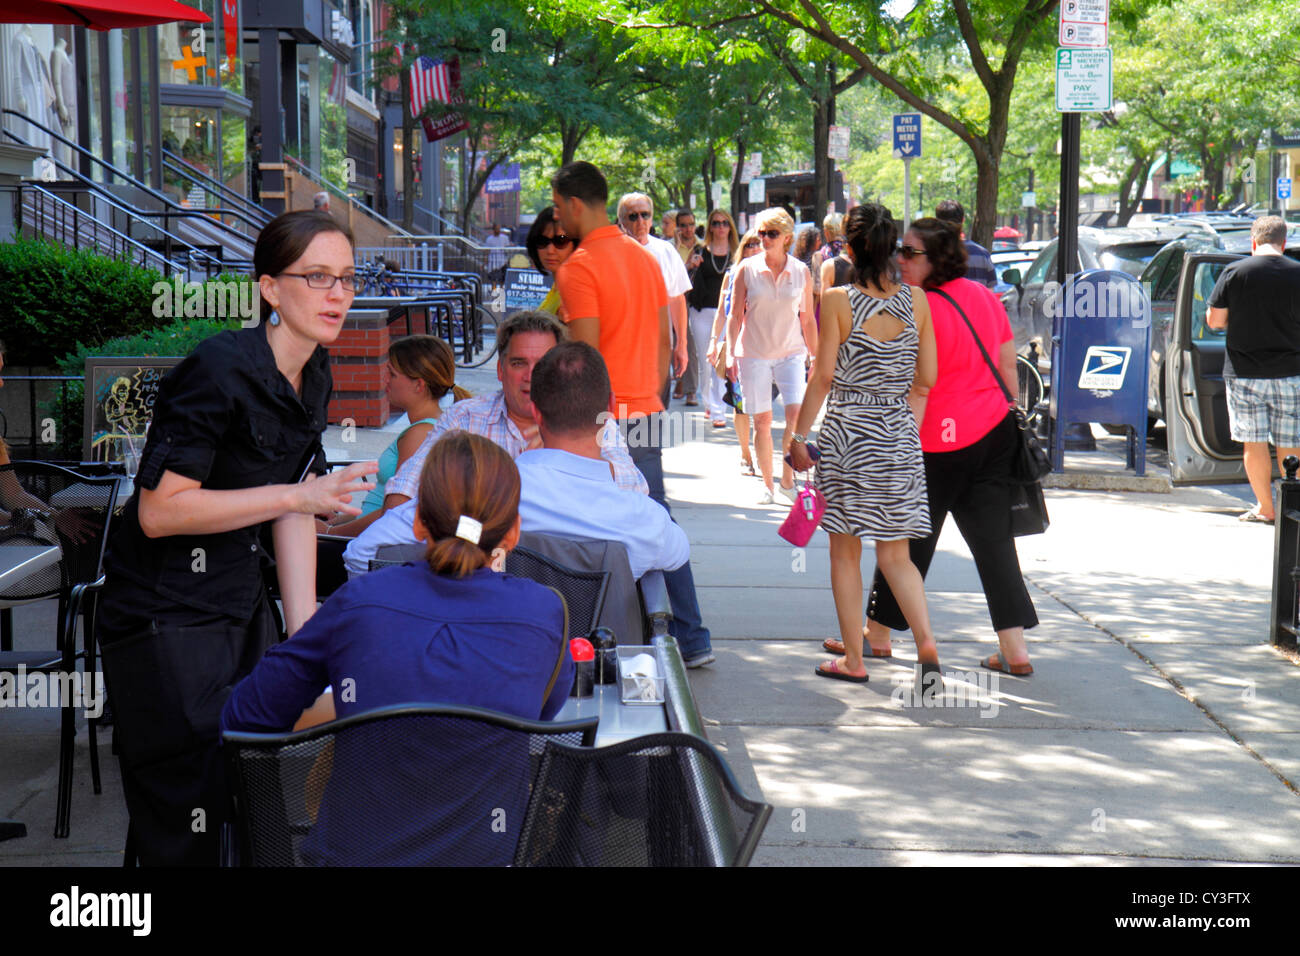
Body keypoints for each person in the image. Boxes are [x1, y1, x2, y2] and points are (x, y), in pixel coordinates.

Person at [96, 211, 378, 866]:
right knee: (187, 812)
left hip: (241, 608)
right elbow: (160, 513)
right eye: (317, 277)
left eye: (346, 279)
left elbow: (297, 505)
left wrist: (305, 637)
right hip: (167, 623)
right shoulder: (219, 369)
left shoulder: (315, 371)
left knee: (253, 795)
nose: (337, 294)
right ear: (271, 289)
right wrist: (297, 496)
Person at [221, 431, 572, 866]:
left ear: (418, 520)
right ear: (513, 532)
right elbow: (542, 712)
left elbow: (246, 716)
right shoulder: (544, 612)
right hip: (488, 855)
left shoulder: (359, 602)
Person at [849, 216, 1039, 677]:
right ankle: (1014, 650)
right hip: (992, 433)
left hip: (934, 438)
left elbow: (901, 376)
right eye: (899, 250)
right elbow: (1006, 363)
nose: (900, 258)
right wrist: (1007, 407)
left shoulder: (911, 306)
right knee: (995, 543)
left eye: (910, 252)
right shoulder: (984, 297)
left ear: (936, 259)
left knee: (906, 542)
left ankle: (877, 634)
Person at [551, 161, 714, 666]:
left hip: (602, 417)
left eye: (558, 209)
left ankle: (620, 636)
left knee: (596, 526)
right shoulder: (646, 259)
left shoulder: (579, 267)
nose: (557, 221)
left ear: (577, 204)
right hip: (647, 404)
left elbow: (584, 359)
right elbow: (668, 340)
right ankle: (689, 637)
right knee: (655, 519)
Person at [341, 311, 647, 576]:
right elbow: (401, 502)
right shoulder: (465, 419)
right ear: (500, 370)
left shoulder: (590, 423)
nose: (531, 376)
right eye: (518, 363)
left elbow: (635, 494)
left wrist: (559, 456)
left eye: (543, 364)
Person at [789, 203, 940, 685]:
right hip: (897, 433)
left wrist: (797, 436)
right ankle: (927, 644)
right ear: (891, 247)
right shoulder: (917, 302)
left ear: (850, 248)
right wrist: (899, 421)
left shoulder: (837, 300)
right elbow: (928, 378)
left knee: (845, 553)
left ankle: (854, 660)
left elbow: (824, 377)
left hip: (849, 433)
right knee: (896, 556)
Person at [518, 342, 690, 580]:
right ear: (610, 409)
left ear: (535, 412)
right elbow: (679, 551)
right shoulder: (642, 520)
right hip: (604, 618)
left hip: (520, 616)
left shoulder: (495, 495)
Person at [325, 335, 469, 537]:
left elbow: (395, 512)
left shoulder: (420, 434)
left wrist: (331, 532)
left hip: (370, 544)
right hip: (364, 533)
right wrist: (335, 522)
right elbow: (377, 504)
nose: (385, 380)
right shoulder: (427, 426)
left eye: (392, 375)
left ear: (418, 385)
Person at [1207, 214, 1300, 524]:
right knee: (1291, 442)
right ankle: (1293, 508)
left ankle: (1265, 508)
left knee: (1254, 443)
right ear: (1283, 243)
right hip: (1291, 371)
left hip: (1245, 373)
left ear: (1253, 241)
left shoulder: (1234, 272)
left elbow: (1215, 321)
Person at [727, 206, 818, 505]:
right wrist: (729, 353)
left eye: (772, 234)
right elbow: (734, 316)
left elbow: (807, 319)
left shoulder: (801, 271)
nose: (764, 238)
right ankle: (768, 485)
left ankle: (787, 479)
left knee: (795, 417)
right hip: (754, 353)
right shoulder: (747, 269)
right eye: (761, 233)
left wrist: (815, 356)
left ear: (787, 237)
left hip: (791, 352)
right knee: (762, 422)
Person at [615, 192, 691, 403]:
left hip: (657, 349)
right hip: (620, 351)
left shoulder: (665, 251)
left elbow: (677, 299)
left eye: (645, 215)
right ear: (621, 221)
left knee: (654, 413)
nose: (640, 221)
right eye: (633, 216)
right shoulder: (612, 253)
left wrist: (681, 345)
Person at [709, 230, 762, 474]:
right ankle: (745, 454)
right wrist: (713, 341)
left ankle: (761, 450)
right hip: (737, 349)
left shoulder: (774, 276)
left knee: (762, 408)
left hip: (765, 349)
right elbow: (722, 312)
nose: (754, 248)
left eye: (759, 244)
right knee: (740, 404)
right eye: (749, 244)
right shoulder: (731, 275)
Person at [689, 209, 739, 427]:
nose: (720, 227)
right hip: (702, 311)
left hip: (727, 313)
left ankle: (719, 410)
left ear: (730, 227)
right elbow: (685, 279)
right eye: (716, 223)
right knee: (704, 361)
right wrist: (691, 265)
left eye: (725, 223)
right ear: (709, 226)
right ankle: (708, 402)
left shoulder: (737, 252)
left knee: (721, 359)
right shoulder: (700, 251)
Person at [524, 206, 575, 318]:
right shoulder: (557, 286)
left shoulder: (573, 293)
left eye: (560, 240)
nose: (550, 250)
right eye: (542, 241)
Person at [935, 200, 995, 288]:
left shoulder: (932, 254)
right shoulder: (982, 254)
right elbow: (990, 292)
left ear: (937, 222)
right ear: (963, 220)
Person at [484, 223, 510, 289]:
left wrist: (508, 259)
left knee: (502, 278)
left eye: (499, 229)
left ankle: (501, 290)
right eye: (496, 229)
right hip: (493, 261)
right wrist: (485, 261)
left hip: (502, 260)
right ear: (494, 229)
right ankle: (494, 291)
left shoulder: (505, 238)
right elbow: (487, 250)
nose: (498, 230)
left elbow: (507, 248)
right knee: (493, 278)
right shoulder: (489, 239)